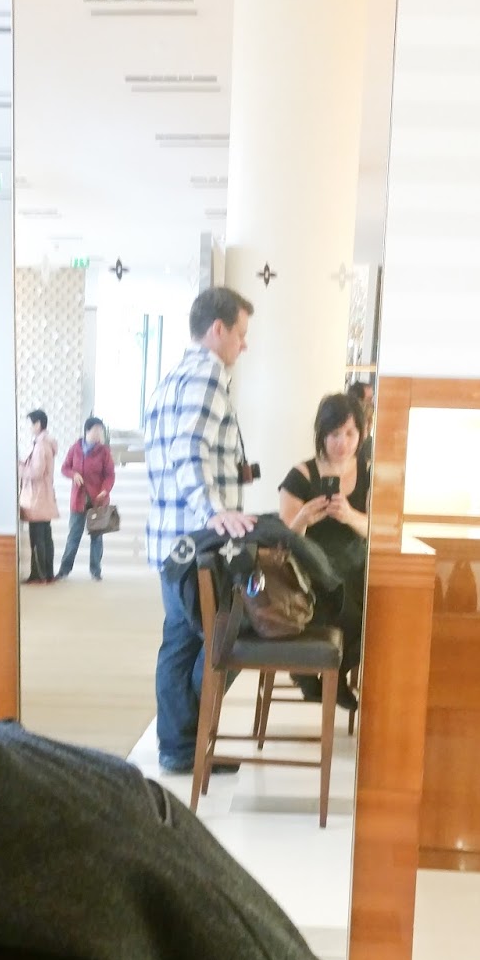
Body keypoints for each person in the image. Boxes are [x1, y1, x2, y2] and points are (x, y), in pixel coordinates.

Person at [144, 285, 257, 774]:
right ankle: (187, 740)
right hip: (199, 543)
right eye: (241, 333)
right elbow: (188, 450)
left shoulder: (170, 377)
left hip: (170, 538)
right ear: (218, 329)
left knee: (181, 641)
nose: (243, 345)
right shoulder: (209, 372)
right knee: (229, 635)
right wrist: (213, 510)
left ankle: (179, 746)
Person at [278, 391, 370, 712]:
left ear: (361, 433)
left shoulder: (369, 473)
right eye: (334, 434)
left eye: (350, 433)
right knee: (337, 593)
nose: (342, 443)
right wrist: (304, 517)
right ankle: (316, 672)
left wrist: (351, 516)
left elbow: (380, 529)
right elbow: (285, 541)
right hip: (312, 571)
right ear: (322, 434)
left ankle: (337, 674)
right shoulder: (301, 476)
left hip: (357, 567)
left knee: (377, 611)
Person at [57, 417, 116, 581]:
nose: (99, 434)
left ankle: (95, 571)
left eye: (101, 430)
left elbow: (110, 475)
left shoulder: (104, 451)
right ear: (87, 431)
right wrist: (73, 474)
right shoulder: (75, 448)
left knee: (96, 537)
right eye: (96, 430)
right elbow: (64, 468)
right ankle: (64, 570)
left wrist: (105, 490)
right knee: (73, 535)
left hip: (98, 499)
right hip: (78, 499)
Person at [18, 409, 59, 583]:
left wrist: (19, 468)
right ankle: (47, 573)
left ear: (38, 424)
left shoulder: (41, 445)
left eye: (30, 424)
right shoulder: (46, 443)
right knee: (45, 535)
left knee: (38, 537)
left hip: (37, 497)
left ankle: (39, 574)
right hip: (43, 496)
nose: (29, 428)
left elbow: (36, 472)